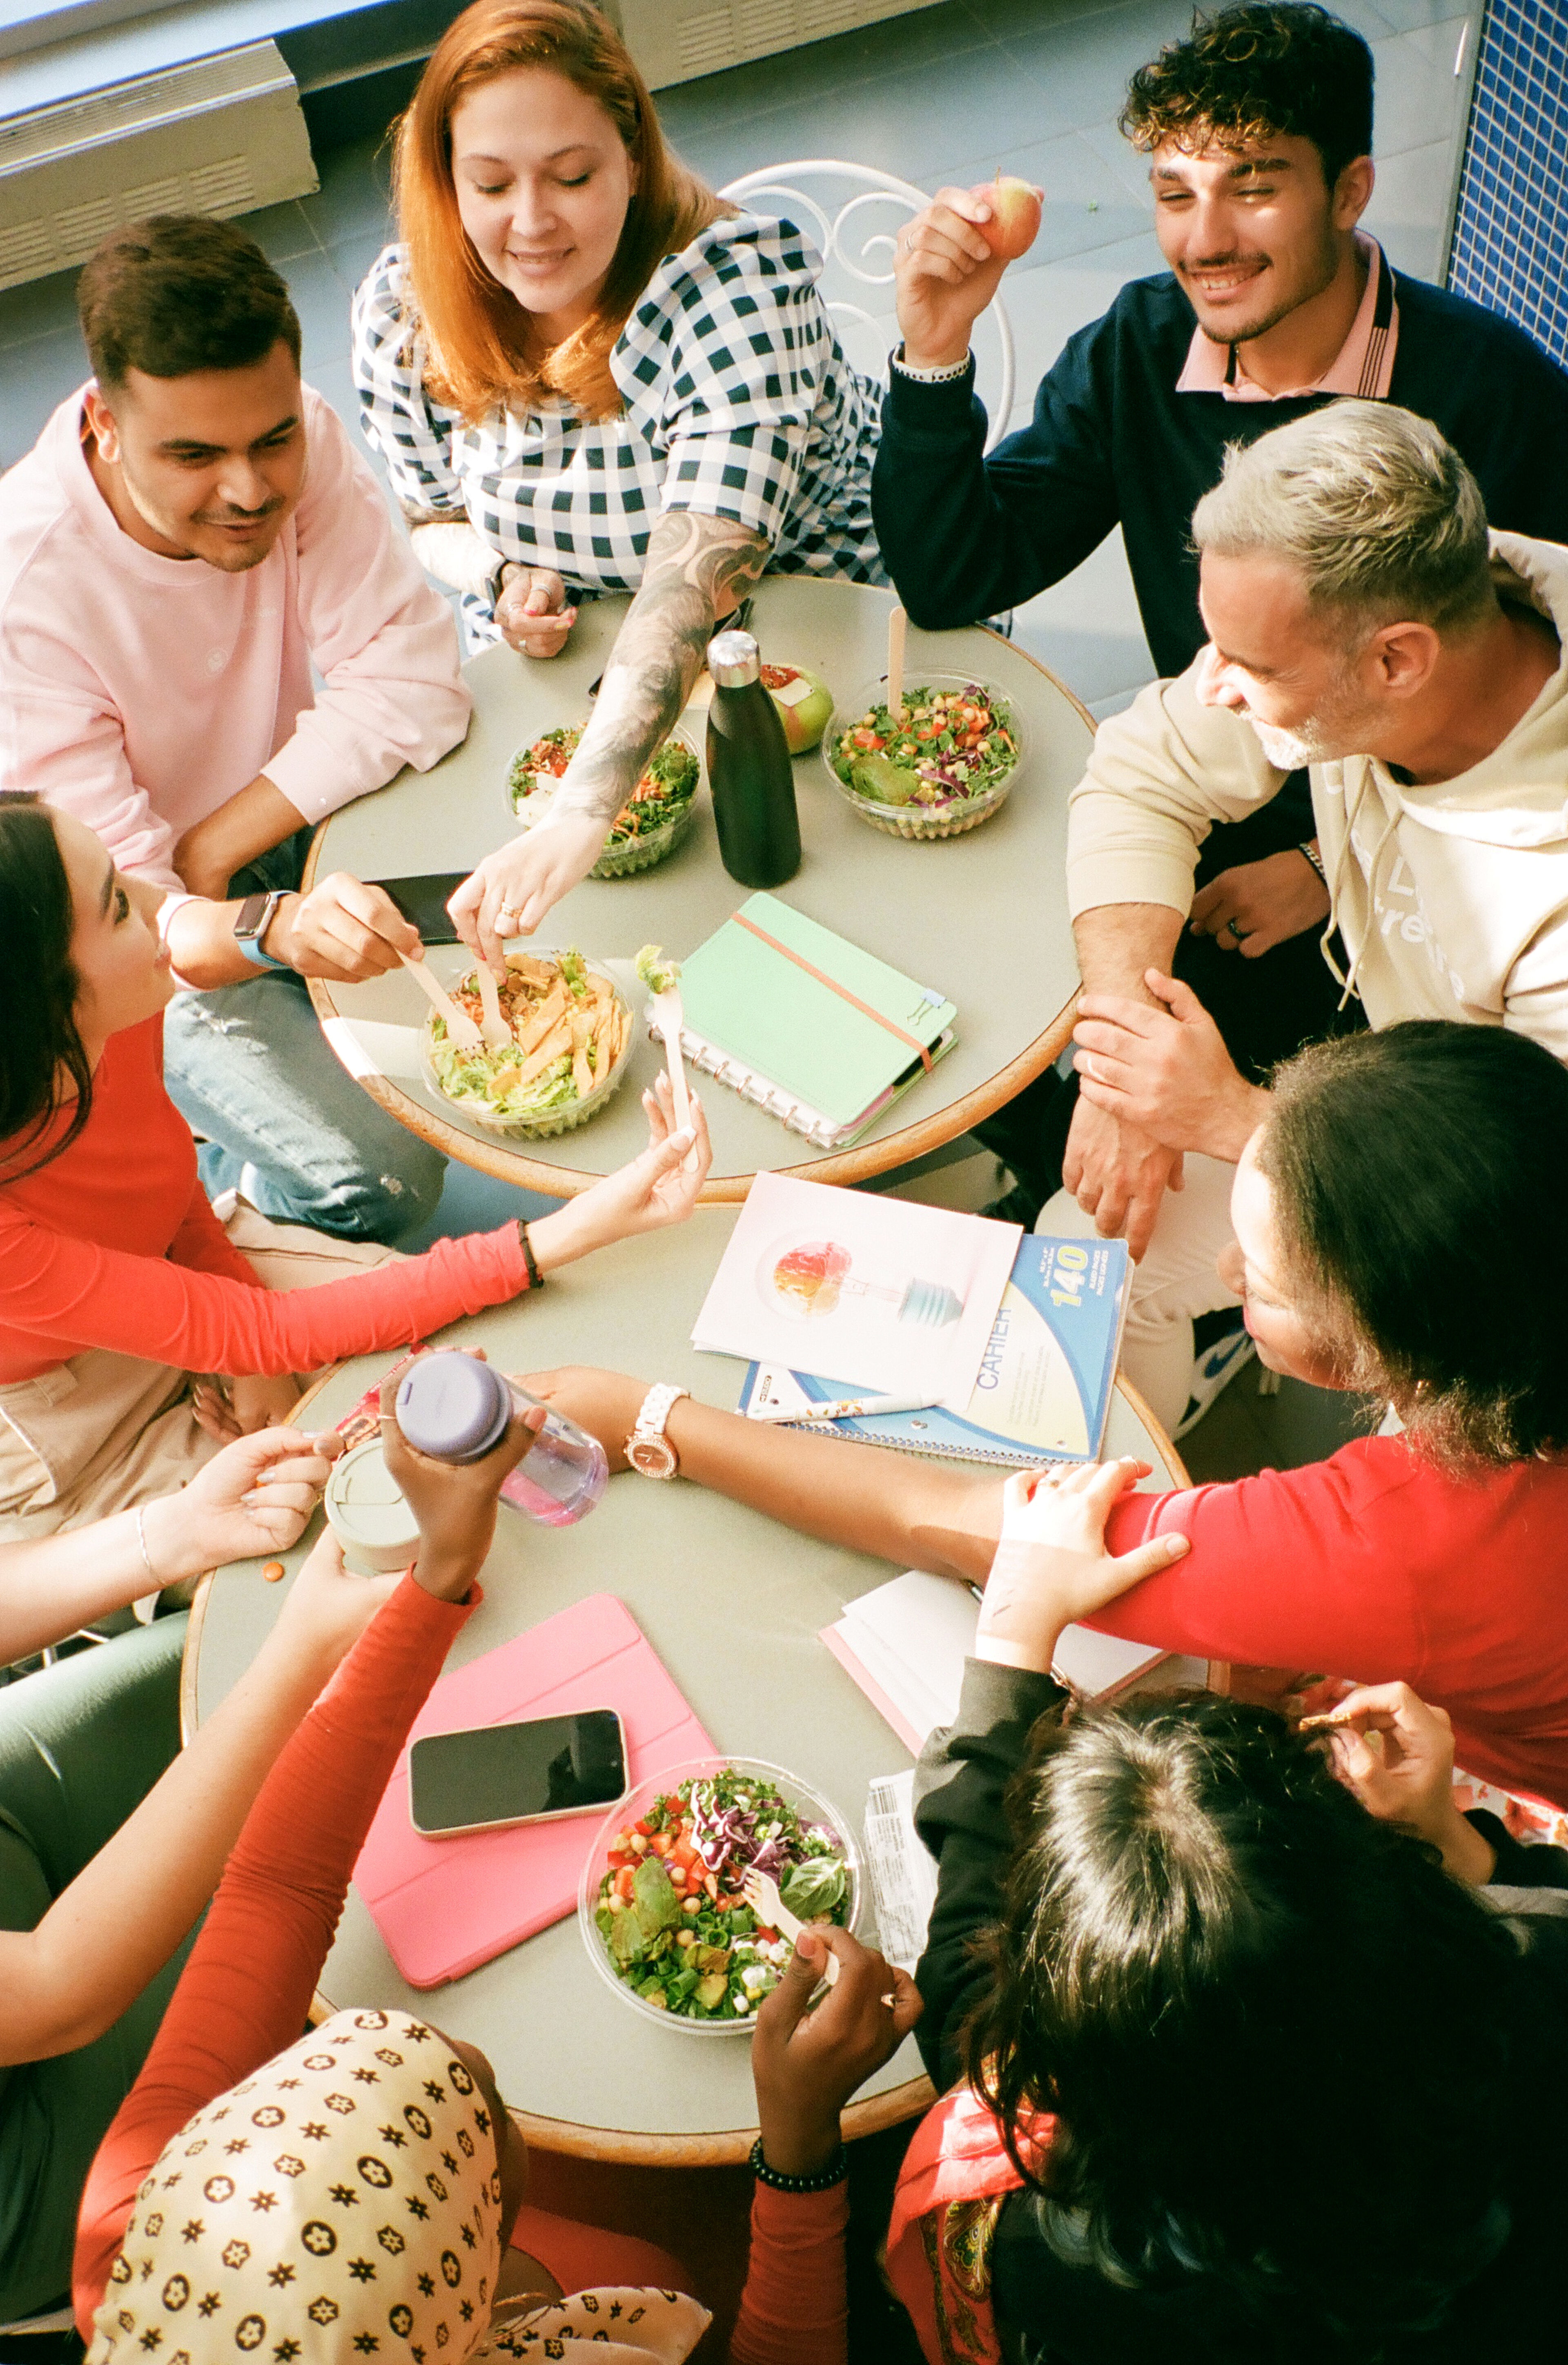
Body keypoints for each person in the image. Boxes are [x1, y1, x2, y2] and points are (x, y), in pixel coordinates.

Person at [873, 0, 1568, 1240]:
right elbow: (957, 574)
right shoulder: (1143, 346)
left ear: (1351, 189)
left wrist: (1319, 865)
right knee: (971, 1008)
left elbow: (1524, 702)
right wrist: (935, 350)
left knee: (1205, 1127)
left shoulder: (1501, 404)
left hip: (1422, 869)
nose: (1207, 240)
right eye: (1175, 192)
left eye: (1254, 187)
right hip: (1213, 762)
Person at [73, 1373, 922, 2362]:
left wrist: (439, 1575)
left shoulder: (156, 2228)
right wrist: (802, 2149)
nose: (466, 2053)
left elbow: (276, 1887)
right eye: (477, 2118)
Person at [517, 1016, 1568, 1809]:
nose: (1222, 1266)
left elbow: (971, 1522)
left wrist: (659, 1417)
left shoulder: (1393, 1539)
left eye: (1268, 1284)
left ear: (1395, 1336)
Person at [884, 1458, 1568, 2362]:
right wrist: (1451, 1836)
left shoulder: (1064, 2262)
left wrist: (1011, 1637)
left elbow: (971, 2018)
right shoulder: (1533, 1981)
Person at [0, 791, 711, 1540]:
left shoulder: (122, 1003)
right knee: (358, 1522)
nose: (159, 908)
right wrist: (562, 1235)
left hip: (180, 1284)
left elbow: (167, 1191)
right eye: (118, 904)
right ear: (42, 1006)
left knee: (505, 1395)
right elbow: (267, 1327)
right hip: (68, 1428)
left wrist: (243, 1337)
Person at [1056, 397, 1568, 1429]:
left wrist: (1230, 1117)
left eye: (1254, 666)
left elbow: (1524, 1217)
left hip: (1510, 1294)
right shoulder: (1447, 595)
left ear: (1397, 661)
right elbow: (1140, 772)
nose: (1213, 688)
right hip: (1380, 1108)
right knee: (1087, 1255)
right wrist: (1126, 1044)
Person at [352, 0, 885, 955]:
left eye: (571, 175)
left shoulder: (736, 292)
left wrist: (579, 812)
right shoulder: (405, 308)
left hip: (811, 666)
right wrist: (497, 577)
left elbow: (696, 580)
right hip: (577, 697)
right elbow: (429, 511)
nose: (531, 223)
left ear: (634, 157)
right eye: (489, 184)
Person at [0, 211, 472, 1243]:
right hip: (112, 940)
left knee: (540, 914)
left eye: (273, 440)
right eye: (195, 456)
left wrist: (219, 843)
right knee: (386, 1172)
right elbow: (144, 917)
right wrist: (239, 914)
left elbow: (421, 678)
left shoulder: (296, 429)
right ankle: (241, 1198)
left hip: (259, 835)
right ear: (104, 426)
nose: (251, 489)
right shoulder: (24, 588)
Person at [0, 1430, 392, 2322]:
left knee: (231, 1658)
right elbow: (61, 1988)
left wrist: (172, 1534)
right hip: (23, 2127)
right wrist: (299, 1663)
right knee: (352, 1902)